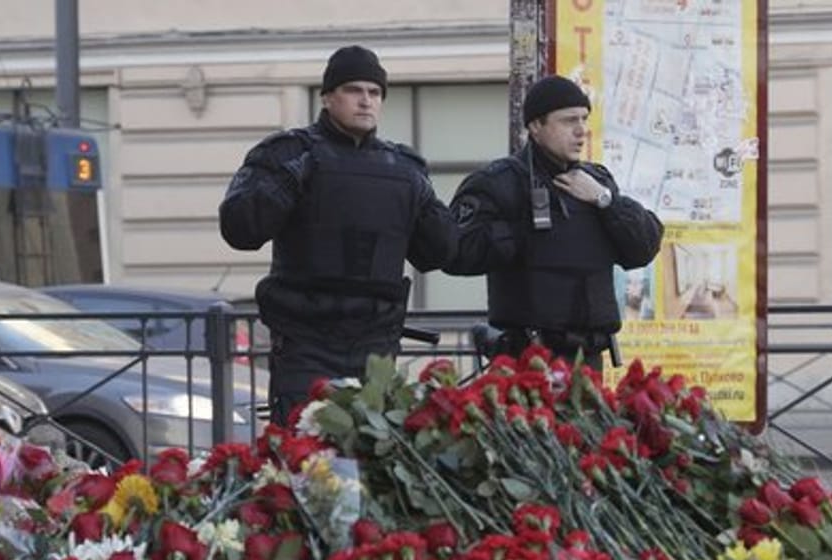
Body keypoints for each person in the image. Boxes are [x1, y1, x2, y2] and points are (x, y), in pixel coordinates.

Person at [218, 45, 458, 425]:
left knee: (372, 470)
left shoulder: (404, 167)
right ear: (328, 97)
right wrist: (289, 180)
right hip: (306, 344)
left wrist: (425, 197)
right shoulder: (288, 153)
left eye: (375, 92)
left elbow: (441, 252)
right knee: (307, 465)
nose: (365, 101)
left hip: (376, 350)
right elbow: (239, 228)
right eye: (353, 90)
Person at [447, 75, 664, 370]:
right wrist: (524, 233)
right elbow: (454, 251)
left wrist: (604, 200)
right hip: (528, 360)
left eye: (584, 120)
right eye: (568, 121)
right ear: (536, 126)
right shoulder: (500, 183)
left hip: (588, 361)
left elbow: (643, 247)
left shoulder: (596, 181)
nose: (581, 131)